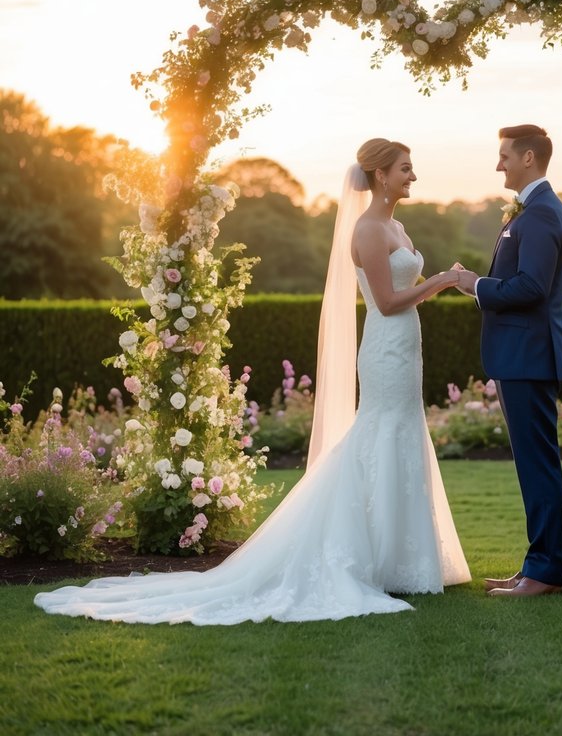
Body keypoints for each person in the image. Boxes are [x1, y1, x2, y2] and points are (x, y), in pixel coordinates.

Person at [34, 139, 470, 624]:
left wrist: (435, 284)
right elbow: (387, 301)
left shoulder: (397, 225)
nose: (413, 177)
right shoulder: (368, 229)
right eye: (405, 169)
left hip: (406, 347)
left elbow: (405, 294)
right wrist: (445, 281)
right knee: (380, 432)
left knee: (403, 432)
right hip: (386, 345)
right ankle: (372, 556)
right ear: (381, 175)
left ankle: (405, 561)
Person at [453, 124, 562, 598]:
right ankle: (535, 566)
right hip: (521, 357)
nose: (498, 163)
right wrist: (478, 283)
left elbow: (532, 287)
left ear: (527, 158)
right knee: (533, 465)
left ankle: (543, 573)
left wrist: (474, 286)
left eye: (504, 155)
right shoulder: (532, 210)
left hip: (528, 358)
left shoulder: (541, 214)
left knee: (538, 466)